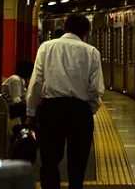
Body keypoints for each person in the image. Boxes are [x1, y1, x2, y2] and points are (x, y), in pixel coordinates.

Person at [26, 14, 105, 189]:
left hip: (51, 109)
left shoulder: (46, 47)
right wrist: (88, 109)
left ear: (66, 28)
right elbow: (95, 89)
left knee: (49, 160)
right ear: (86, 32)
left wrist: (30, 113)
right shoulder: (91, 52)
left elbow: (36, 82)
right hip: (80, 111)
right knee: (78, 161)